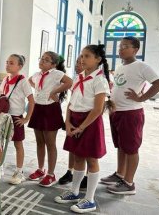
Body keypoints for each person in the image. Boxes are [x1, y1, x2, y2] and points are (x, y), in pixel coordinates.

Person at [101, 37, 159, 195]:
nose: (121, 49)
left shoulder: (141, 66)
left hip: (131, 112)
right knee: (121, 146)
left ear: (135, 50)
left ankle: (129, 183)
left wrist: (142, 98)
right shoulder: (121, 67)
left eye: (125, 46)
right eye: (120, 46)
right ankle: (120, 175)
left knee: (131, 148)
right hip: (116, 112)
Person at [54, 44, 112, 213]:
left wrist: (81, 127)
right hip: (75, 120)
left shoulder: (100, 80)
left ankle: (90, 199)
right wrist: (68, 122)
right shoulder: (79, 76)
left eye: (87, 56)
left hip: (90, 122)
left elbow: (98, 109)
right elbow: (71, 103)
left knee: (91, 160)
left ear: (98, 60)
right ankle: (74, 191)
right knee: (78, 157)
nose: (82, 59)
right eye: (82, 55)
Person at [27, 52, 72, 187]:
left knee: (50, 143)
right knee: (39, 141)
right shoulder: (37, 74)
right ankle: (41, 169)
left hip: (50, 108)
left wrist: (53, 92)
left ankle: (51, 174)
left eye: (46, 60)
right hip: (38, 108)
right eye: (42, 58)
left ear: (53, 64)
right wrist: (38, 91)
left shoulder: (56, 74)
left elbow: (69, 82)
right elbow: (30, 80)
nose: (42, 61)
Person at [0, 54, 34, 185]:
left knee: (18, 144)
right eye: (7, 62)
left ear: (20, 66)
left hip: (16, 117)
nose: (7, 64)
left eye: (11, 63)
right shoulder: (6, 79)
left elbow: (31, 100)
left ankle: (19, 171)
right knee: (0, 143)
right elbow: (2, 95)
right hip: (4, 116)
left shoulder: (23, 81)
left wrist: (26, 118)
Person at [58, 56, 88, 189]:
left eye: (81, 63)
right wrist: (67, 120)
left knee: (86, 149)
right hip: (74, 116)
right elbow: (72, 100)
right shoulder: (77, 79)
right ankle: (70, 171)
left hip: (86, 119)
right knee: (72, 147)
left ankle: (86, 175)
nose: (78, 65)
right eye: (77, 62)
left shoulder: (96, 79)